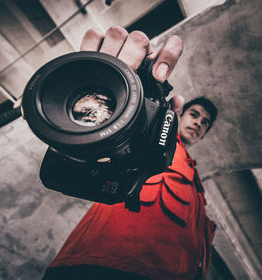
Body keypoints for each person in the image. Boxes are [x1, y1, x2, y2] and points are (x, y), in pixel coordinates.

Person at [42, 26, 218, 280]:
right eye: (195, 114)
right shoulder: (148, 134)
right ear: (180, 114)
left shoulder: (196, 181)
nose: (199, 123)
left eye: (205, 123)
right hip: (106, 264)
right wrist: (111, 97)